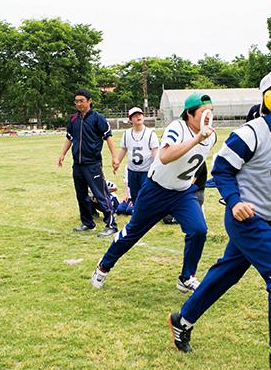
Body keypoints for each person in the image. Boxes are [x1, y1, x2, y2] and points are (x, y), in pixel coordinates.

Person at [168, 68, 271, 370]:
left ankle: (182, 320)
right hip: (247, 220)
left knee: (226, 274)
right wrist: (234, 201)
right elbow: (221, 169)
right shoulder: (251, 133)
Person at [91, 93, 217, 291]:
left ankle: (187, 277)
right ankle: (103, 266)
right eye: (203, 112)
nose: (208, 116)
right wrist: (197, 138)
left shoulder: (212, 136)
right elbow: (165, 156)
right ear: (189, 114)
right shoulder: (178, 127)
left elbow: (197, 162)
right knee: (133, 232)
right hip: (156, 190)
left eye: (211, 111)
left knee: (198, 230)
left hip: (182, 193)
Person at [57, 88, 119, 238]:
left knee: (101, 194)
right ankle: (87, 223)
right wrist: (62, 154)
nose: (78, 104)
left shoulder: (98, 118)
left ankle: (111, 224)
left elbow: (108, 137)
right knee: (81, 195)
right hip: (77, 164)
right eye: (76, 101)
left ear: (89, 101)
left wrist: (114, 157)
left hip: (92, 164)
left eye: (81, 101)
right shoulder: (73, 119)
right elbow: (69, 138)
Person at [114, 107, 159, 205]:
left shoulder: (150, 133)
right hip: (132, 171)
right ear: (130, 120)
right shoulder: (126, 134)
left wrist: (157, 167)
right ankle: (137, 212)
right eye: (134, 115)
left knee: (146, 194)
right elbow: (123, 149)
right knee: (134, 195)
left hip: (146, 170)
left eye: (140, 114)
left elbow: (155, 151)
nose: (138, 116)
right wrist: (117, 162)